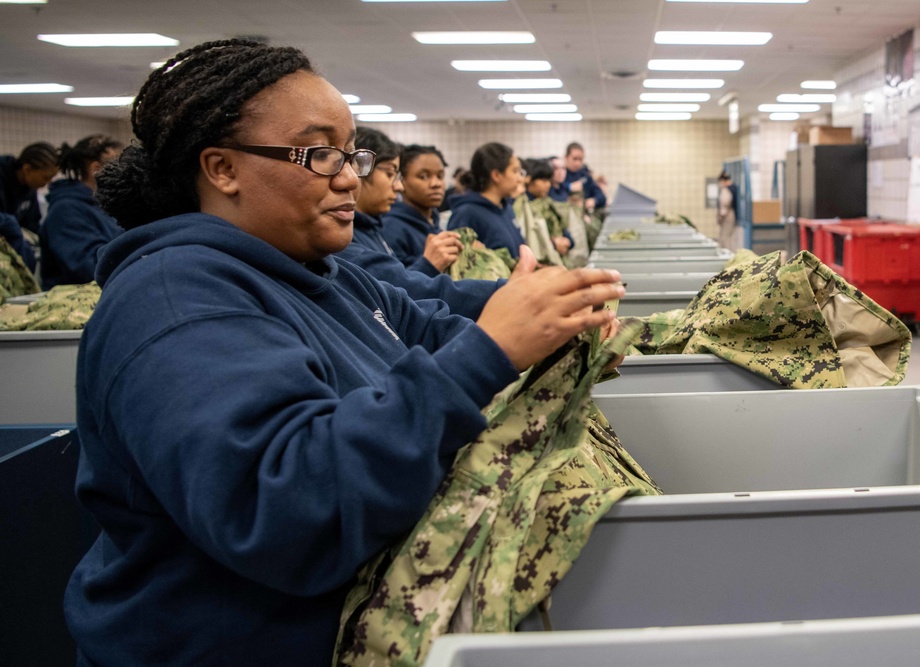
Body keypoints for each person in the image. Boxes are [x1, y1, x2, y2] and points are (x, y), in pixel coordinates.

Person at [65, 38, 623, 667]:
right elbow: (288, 511)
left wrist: (546, 315)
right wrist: (491, 351)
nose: (351, 177)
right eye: (320, 153)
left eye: (350, 151)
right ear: (222, 169)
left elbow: (427, 327)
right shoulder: (174, 302)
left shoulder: (317, 269)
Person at [338, 128, 499, 320]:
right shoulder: (357, 237)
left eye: (440, 176)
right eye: (390, 174)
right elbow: (402, 291)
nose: (398, 186)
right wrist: (428, 264)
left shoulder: (375, 228)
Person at [39, 135, 123, 289]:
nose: (125, 171)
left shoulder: (103, 205)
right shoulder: (66, 210)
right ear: (96, 170)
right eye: (118, 166)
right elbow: (88, 268)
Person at [382, 143, 463, 274]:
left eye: (440, 176)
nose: (435, 183)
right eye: (423, 176)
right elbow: (396, 283)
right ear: (401, 181)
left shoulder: (433, 221)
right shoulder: (391, 228)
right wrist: (428, 264)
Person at [446, 142, 526, 259]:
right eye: (515, 171)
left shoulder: (505, 208)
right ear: (496, 175)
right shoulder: (466, 214)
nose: (520, 179)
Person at [0, 141, 58, 270]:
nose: (48, 183)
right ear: (27, 169)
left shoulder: (29, 188)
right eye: (45, 177)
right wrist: (10, 224)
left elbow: (32, 224)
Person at [563, 142, 606, 211]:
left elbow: (601, 196)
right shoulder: (561, 175)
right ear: (566, 157)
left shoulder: (585, 175)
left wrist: (594, 201)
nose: (577, 163)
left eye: (580, 159)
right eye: (574, 159)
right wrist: (569, 187)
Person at [717, 170, 741, 251]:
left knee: (725, 236)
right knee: (730, 236)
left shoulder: (726, 190)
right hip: (732, 214)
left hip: (728, 215)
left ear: (723, 181)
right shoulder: (735, 188)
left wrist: (720, 217)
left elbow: (724, 205)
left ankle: (727, 255)